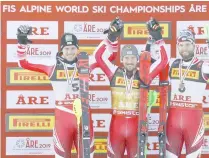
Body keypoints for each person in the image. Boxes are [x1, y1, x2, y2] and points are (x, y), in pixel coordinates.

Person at [90, 17, 168, 158]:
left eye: (133, 58)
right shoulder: (114, 72)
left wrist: (159, 38)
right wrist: (110, 37)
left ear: (137, 59)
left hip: (136, 126)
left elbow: (164, 61)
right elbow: (98, 56)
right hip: (116, 126)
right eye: (126, 58)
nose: (130, 61)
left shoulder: (145, 74)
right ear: (122, 59)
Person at [16, 25, 94, 158]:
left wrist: (112, 37)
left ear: (77, 49)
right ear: (62, 49)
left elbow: (106, 57)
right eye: (67, 49)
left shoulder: (86, 62)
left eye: (73, 48)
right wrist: (22, 43)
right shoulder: (51, 64)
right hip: (62, 120)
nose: (70, 52)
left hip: (84, 118)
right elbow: (23, 63)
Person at [166, 29, 209, 157]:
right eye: (181, 44)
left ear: (194, 45)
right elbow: (150, 64)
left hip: (193, 120)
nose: (184, 48)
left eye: (188, 44)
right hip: (173, 119)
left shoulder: (203, 66)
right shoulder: (172, 63)